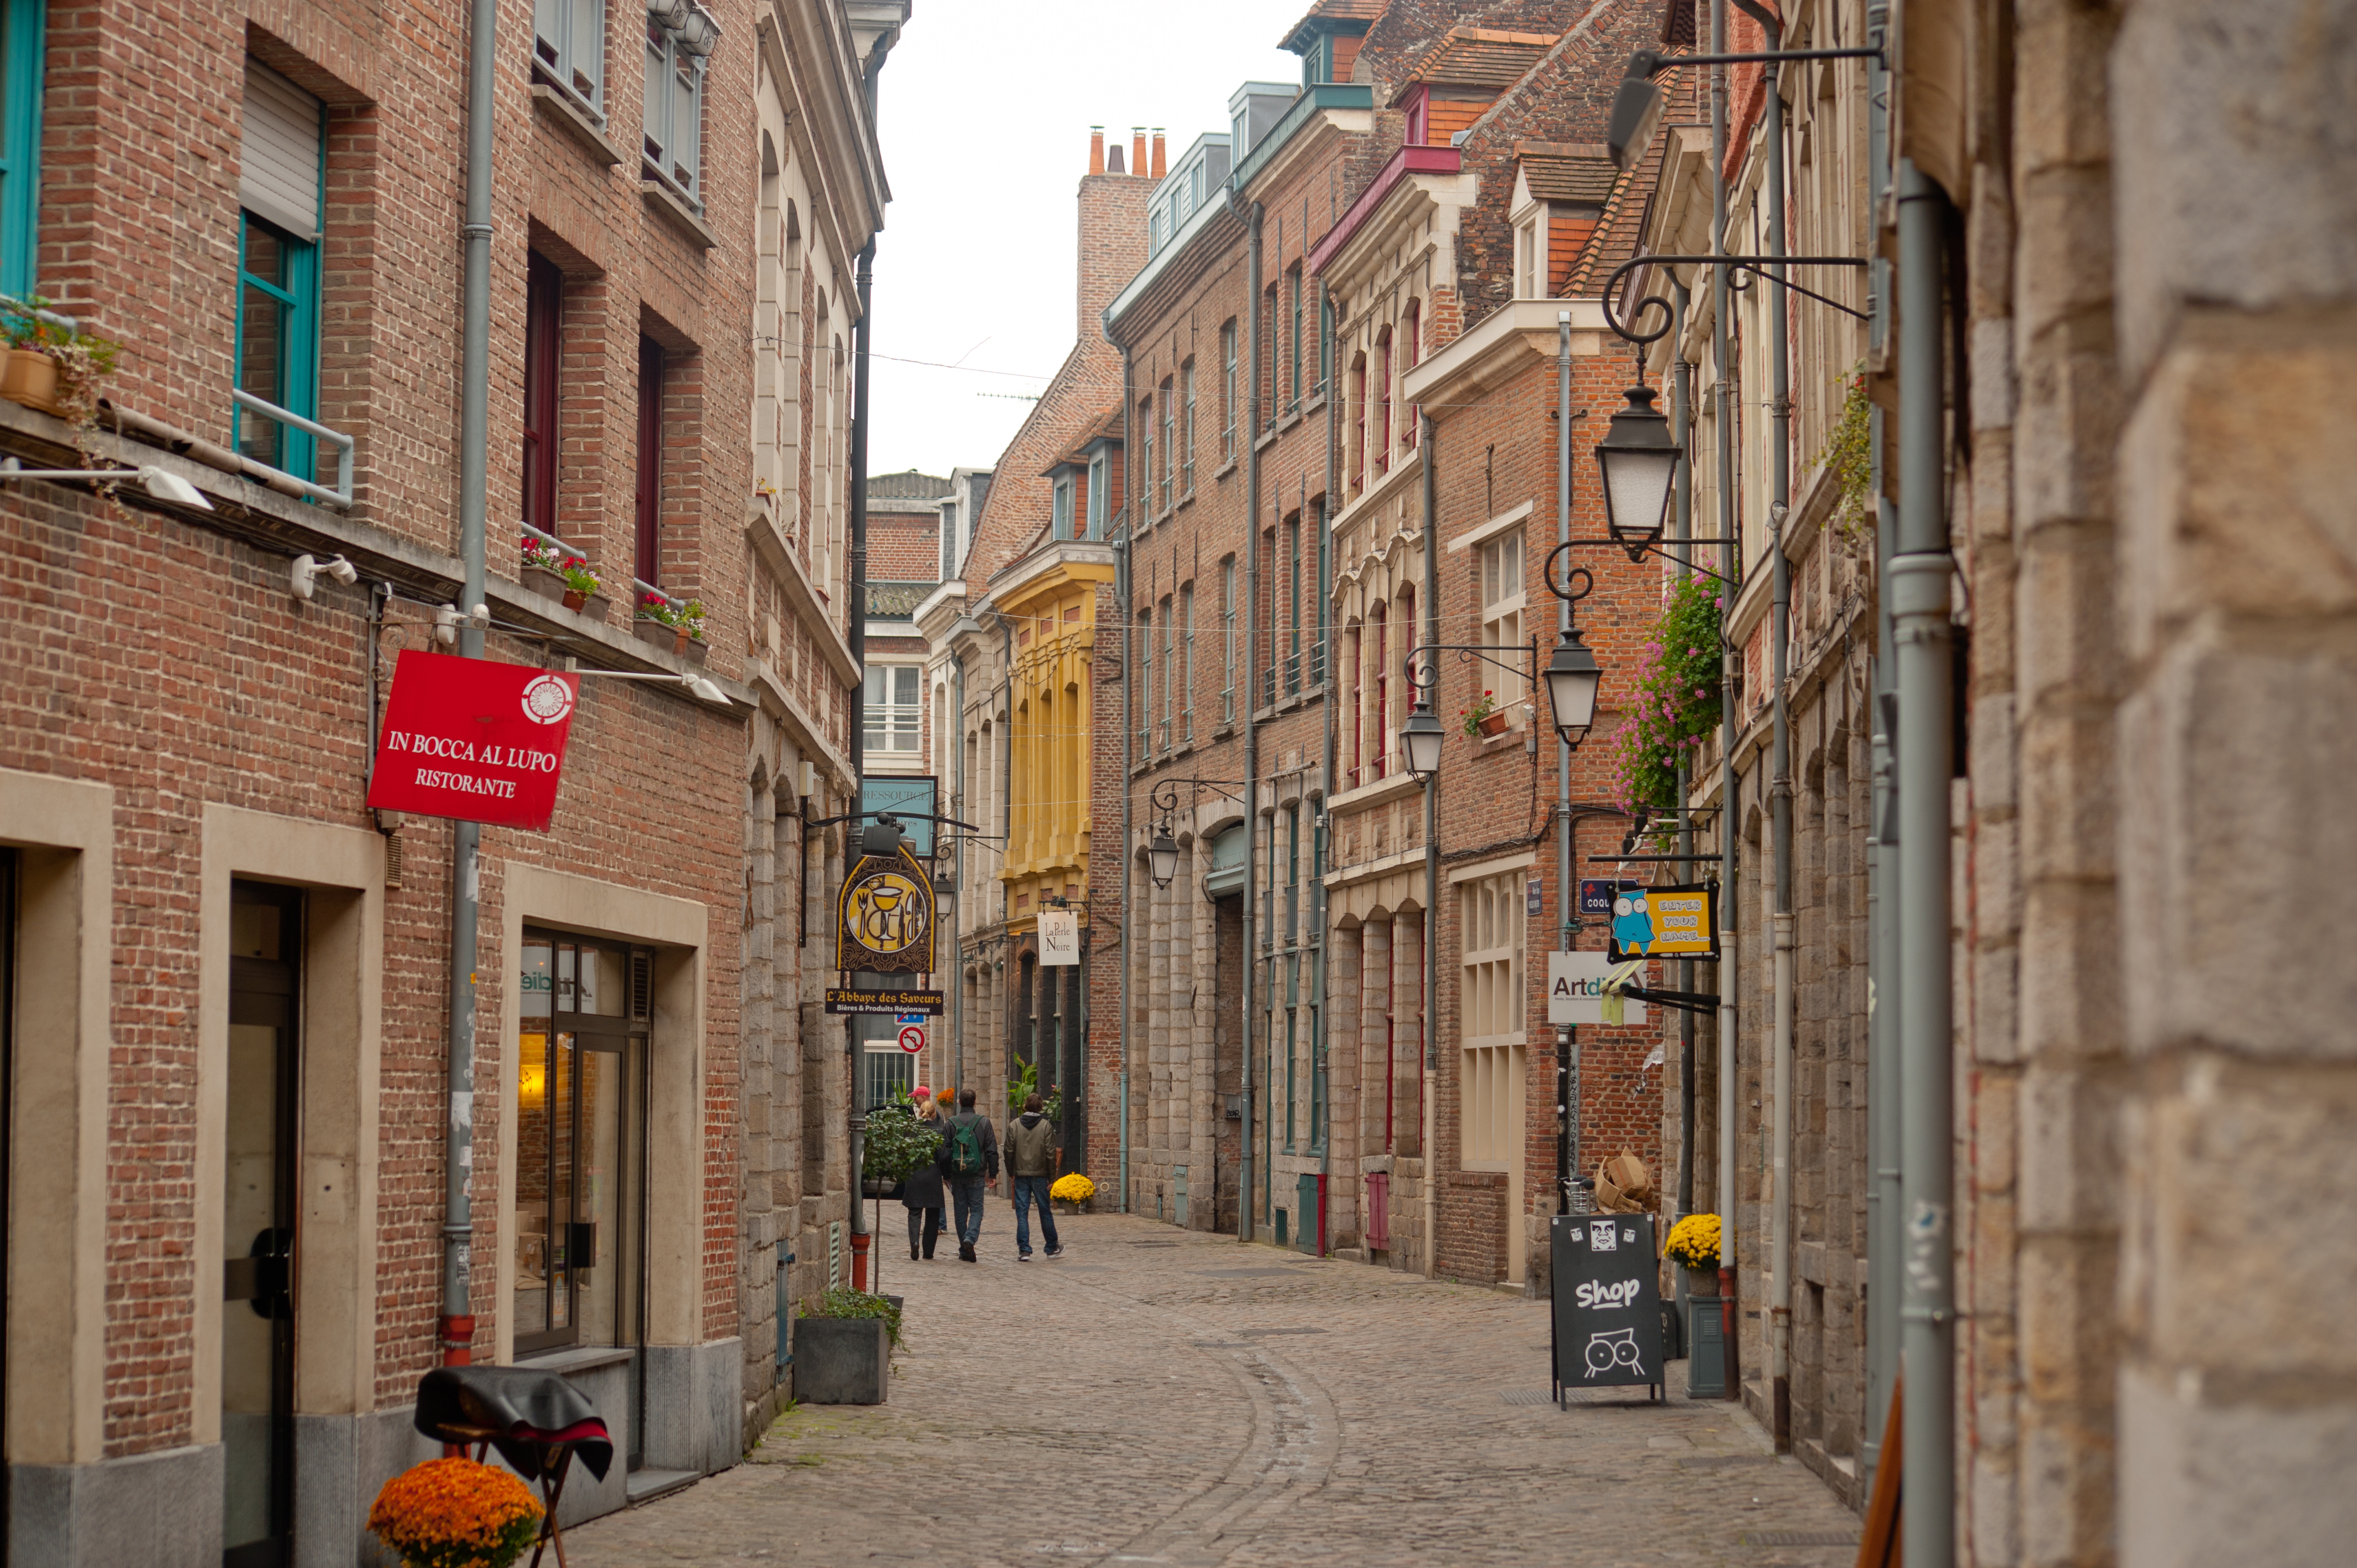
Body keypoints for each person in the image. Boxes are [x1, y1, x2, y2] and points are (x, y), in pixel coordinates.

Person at [937, 1085, 998, 1262]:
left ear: (959, 1102)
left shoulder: (950, 1123)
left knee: (960, 1213)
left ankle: (965, 1249)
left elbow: (945, 1152)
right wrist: (992, 1174)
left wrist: (946, 1175)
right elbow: (992, 1150)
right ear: (975, 1102)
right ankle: (969, 1240)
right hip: (977, 1174)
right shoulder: (984, 1123)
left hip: (957, 1174)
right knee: (977, 1210)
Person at [1005, 1092, 1063, 1261]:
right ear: (1040, 1107)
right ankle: (1052, 1247)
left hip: (1021, 1174)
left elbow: (1008, 1151)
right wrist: (1052, 1177)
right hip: (1040, 1175)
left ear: (1025, 1106)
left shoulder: (1014, 1125)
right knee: (1045, 1211)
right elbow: (1050, 1153)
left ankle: (1024, 1250)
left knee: (1022, 1213)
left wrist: (1011, 1172)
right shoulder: (1045, 1126)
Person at [899, 1090, 948, 1261]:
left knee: (914, 1212)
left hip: (915, 1176)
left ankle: (914, 1242)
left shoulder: (910, 1131)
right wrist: (947, 1175)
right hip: (933, 1177)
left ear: (920, 1113)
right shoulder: (939, 1133)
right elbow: (943, 1157)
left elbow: (904, 1154)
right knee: (933, 1214)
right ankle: (928, 1251)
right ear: (934, 1115)